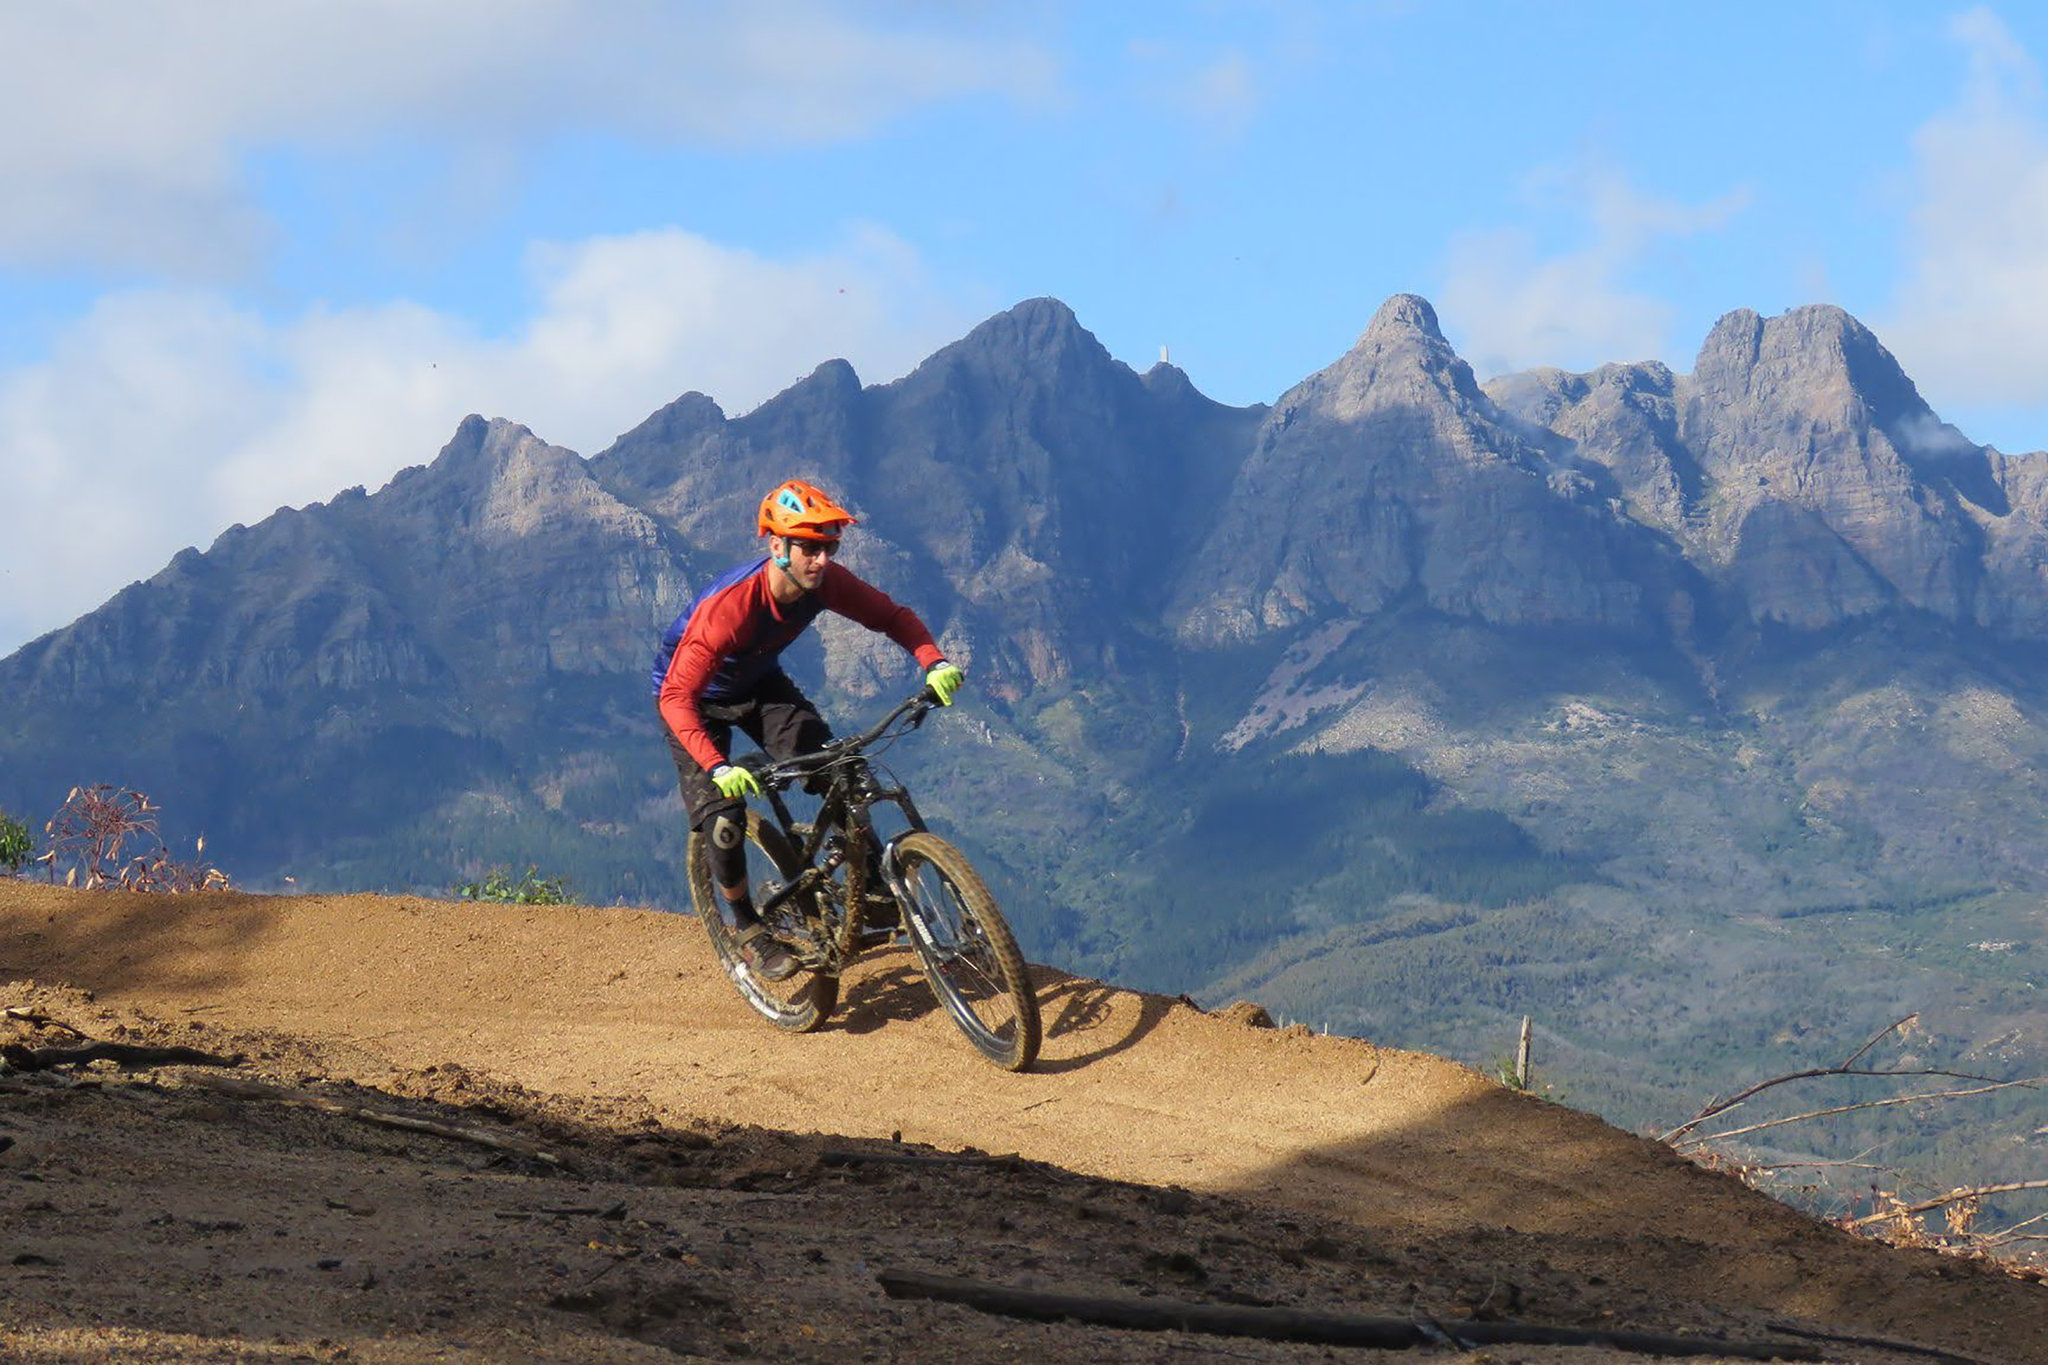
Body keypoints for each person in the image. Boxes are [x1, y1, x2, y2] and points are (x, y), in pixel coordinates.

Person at [652, 477, 964, 979]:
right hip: (696, 702)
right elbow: (675, 697)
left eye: (829, 548)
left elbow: (892, 616)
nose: (821, 560)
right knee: (725, 819)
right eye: (809, 549)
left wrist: (934, 661)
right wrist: (716, 765)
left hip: (760, 684)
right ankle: (747, 926)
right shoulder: (729, 610)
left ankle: (874, 888)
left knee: (839, 770)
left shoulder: (826, 583)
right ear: (777, 546)